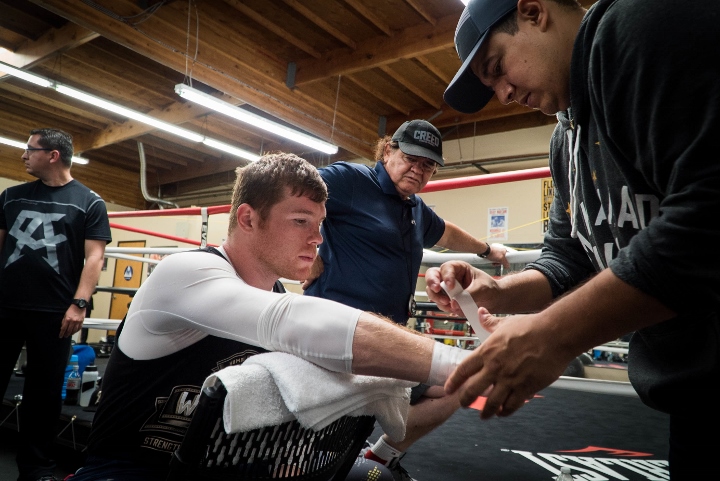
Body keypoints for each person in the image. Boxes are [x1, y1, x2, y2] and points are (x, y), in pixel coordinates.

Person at [427, 0, 720, 477]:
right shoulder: (566, 139)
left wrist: (554, 334)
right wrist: (497, 292)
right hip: (692, 393)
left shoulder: (639, 25)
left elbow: (708, 218)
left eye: (497, 68)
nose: (502, 94)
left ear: (534, 11)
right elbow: (568, 261)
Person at [68, 153, 473, 481]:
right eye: (300, 221)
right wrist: (469, 363)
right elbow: (294, 320)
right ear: (247, 218)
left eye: (319, 225)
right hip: (129, 471)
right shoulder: (186, 272)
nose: (317, 238)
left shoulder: (276, 291)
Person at [303, 119, 510, 480]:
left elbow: (445, 231)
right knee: (318, 444)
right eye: (411, 158)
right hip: (338, 332)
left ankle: (381, 456)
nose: (419, 169)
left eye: (428, 164)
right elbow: (285, 189)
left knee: (458, 384)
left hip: (387, 338)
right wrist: (307, 250)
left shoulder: (413, 207)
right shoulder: (351, 180)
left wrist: (487, 248)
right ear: (388, 151)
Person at [0, 128, 111, 481]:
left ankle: (37, 468)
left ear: (53, 155)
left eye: (30, 149)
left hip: (55, 313)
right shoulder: (11, 197)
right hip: (5, 307)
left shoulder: (90, 202)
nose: (23, 155)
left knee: (44, 396)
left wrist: (80, 303)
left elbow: (94, 258)